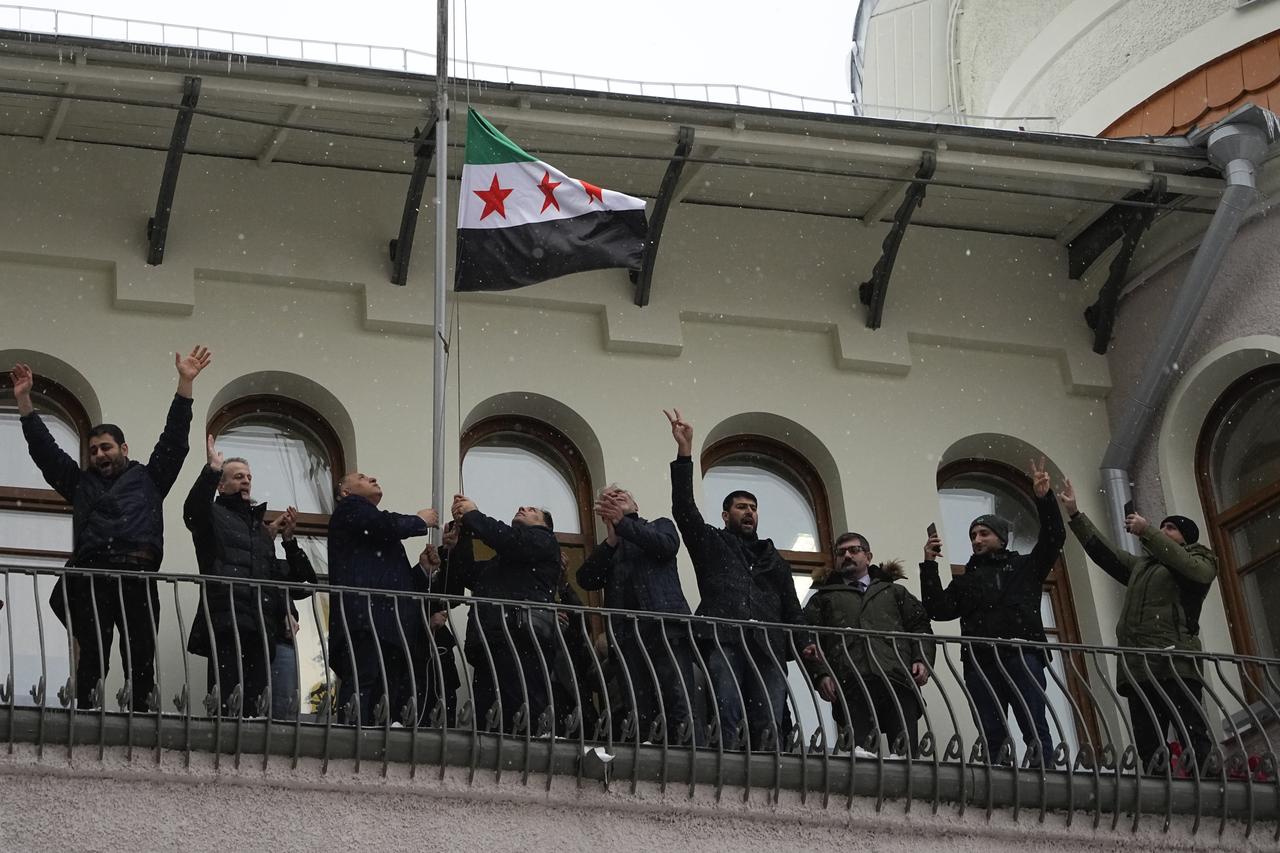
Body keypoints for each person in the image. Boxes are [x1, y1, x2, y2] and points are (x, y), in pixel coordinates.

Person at [10, 348, 210, 711]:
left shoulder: (150, 478)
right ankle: (86, 716)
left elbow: (175, 440)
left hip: (138, 575)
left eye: (106, 448)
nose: (100, 455)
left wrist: (185, 384)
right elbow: (46, 452)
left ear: (123, 448)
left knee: (140, 655)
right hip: (92, 578)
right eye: (94, 450)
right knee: (92, 656)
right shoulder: (79, 482)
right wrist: (25, 402)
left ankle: (140, 717)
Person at [664, 408, 807, 750]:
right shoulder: (713, 544)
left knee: (770, 719)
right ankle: (729, 767)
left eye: (753, 507)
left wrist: (807, 647)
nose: (749, 512)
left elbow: (793, 609)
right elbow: (684, 509)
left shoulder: (775, 561)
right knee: (727, 712)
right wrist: (685, 453)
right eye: (741, 507)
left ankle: (768, 773)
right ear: (726, 515)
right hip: (724, 640)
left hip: (769, 646)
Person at [1058, 481, 1218, 773]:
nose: (1163, 531)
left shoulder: (1200, 559)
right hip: (1139, 665)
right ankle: (1161, 794)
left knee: (1192, 732)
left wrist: (1148, 532)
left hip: (1175, 662)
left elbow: (1197, 572)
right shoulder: (1142, 567)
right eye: (1162, 527)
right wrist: (1075, 514)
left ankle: (1209, 787)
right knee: (1148, 743)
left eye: (1170, 528)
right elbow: (1104, 553)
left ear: (1186, 538)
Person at [919, 458, 1064, 767]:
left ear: (1000, 537)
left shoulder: (1025, 567)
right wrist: (929, 565)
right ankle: (997, 778)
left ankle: (1046, 776)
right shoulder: (967, 579)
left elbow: (1054, 538)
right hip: (980, 660)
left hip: (1022, 653)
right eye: (973, 535)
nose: (976, 540)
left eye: (983, 533)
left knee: (1033, 725)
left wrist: (1044, 498)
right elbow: (938, 609)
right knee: (991, 730)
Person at [183, 436, 316, 717]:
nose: (246, 481)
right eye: (237, 477)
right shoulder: (214, 514)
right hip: (227, 621)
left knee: (257, 709)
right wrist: (211, 470)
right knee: (227, 704)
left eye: (249, 477)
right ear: (221, 485)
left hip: (261, 628)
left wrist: (288, 542)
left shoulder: (260, 531)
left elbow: (295, 582)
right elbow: (193, 513)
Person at [577, 484, 698, 746]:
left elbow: (666, 546)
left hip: (666, 628)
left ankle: (687, 758)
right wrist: (611, 540)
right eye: (610, 499)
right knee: (638, 704)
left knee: (678, 697)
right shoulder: (611, 547)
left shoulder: (659, 525)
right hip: (627, 638)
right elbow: (586, 579)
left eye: (621, 495)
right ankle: (648, 757)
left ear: (636, 506)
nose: (616, 499)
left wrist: (624, 524)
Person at [804, 532, 934, 757]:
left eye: (853, 550)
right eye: (841, 552)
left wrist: (921, 659)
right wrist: (821, 674)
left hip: (897, 678)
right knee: (861, 759)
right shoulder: (823, 598)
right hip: (851, 682)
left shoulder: (893, 591)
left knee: (906, 759)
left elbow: (920, 626)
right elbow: (809, 639)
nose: (846, 555)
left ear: (868, 556)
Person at [327, 472, 437, 726]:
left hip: (385, 621)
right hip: (366, 617)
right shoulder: (350, 510)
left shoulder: (370, 525)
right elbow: (385, 525)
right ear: (345, 492)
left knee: (385, 687)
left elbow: (393, 579)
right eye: (362, 477)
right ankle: (353, 736)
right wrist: (419, 520)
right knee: (365, 680)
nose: (373, 477)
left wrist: (421, 570)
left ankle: (372, 738)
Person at [446, 496, 561, 735]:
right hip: (494, 642)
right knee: (489, 715)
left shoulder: (544, 542)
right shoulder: (502, 562)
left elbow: (509, 541)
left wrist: (473, 515)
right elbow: (467, 575)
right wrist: (461, 540)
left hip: (522, 640)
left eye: (532, 510)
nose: (522, 507)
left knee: (520, 709)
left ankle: (522, 757)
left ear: (544, 526)